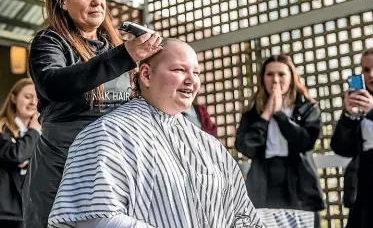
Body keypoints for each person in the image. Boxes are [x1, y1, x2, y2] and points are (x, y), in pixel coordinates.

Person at [47, 39, 266, 228]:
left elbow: (243, 215)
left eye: (196, 72)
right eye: (179, 70)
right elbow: (94, 218)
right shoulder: (106, 134)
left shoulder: (209, 145)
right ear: (146, 75)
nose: (191, 80)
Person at [23, 0, 162, 228]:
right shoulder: (49, 41)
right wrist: (124, 56)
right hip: (61, 171)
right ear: (63, 1)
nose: (97, 1)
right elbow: (53, 84)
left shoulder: (114, 47)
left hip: (111, 169)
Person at [235, 54, 324, 228]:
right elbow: (245, 147)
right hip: (263, 182)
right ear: (262, 79)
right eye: (269, 74)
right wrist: (266, 114)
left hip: (299, 185)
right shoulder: (252, 113)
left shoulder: (307, 108)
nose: (275, 80)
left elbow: (306, 143)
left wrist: (280, 115)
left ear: (291, 77)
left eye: (281, 74)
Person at [331, 46, 373, 228]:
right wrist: (349, 116)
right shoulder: (361, 105)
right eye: (366, 70)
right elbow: (341, 148)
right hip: (365, 190)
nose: (372, 75)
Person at [0, 78, 41, 228]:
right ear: (13, 98)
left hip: (32, 210)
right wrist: (34, 130)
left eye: (37, 98)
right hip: (8, 213)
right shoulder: (2, 128)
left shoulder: (44, 133)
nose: (32, 102)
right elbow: (18, 155)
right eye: (27, 96)